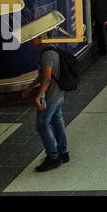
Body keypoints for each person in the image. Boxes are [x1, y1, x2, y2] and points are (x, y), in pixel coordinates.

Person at [26, 29, 70, 172]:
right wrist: (30, 87)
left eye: (34, 37)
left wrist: (39, 96)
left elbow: (47, 78)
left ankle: (53, 157)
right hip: (58, 94)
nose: (31, 40)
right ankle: (63, 153)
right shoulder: (51, 49)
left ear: (42, 37)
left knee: (42, 124)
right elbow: (44, 75)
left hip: (51, 96)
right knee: (57, 120)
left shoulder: (47, 54)